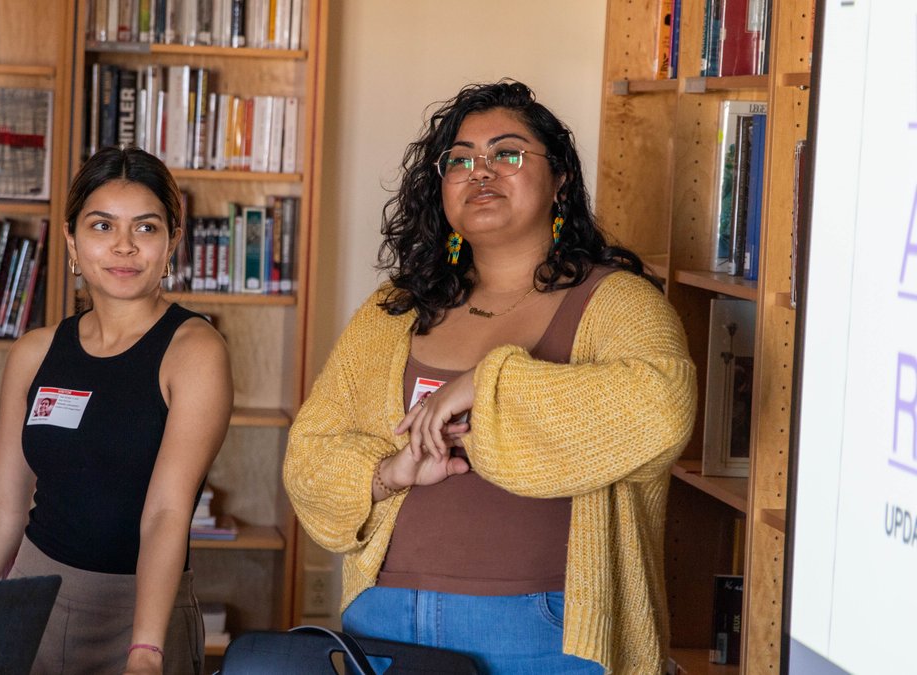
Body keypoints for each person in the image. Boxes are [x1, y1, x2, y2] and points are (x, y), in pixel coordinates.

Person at [283, 80, 696, 674]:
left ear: (560, 181)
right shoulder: (392, 311)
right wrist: (386, 473)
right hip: (386, 621)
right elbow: (307, 456)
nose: (481, 171)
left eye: (507, 154)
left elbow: (663, 406)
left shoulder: (617, 301)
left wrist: (485, 384)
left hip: (550, 630)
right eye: (460, 160)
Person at [0, 146, 233, 675]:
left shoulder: (195, 352)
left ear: (172, 242)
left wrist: (146, 653)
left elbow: (166, 513)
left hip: (143, 614)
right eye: (102, 225)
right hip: (32, 605)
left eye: (146, 229)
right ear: (72, 241)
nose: (124, 246)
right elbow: (0, 510)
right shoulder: (34, 352)